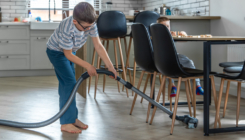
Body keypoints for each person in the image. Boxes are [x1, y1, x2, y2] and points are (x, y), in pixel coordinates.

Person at [46, 2, 117, 134]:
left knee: (68, 85)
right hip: (56, 52)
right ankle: (66, 123)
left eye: (90, 26)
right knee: (70, 84)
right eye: (85, 27)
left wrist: (110, 67)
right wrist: (88, 66)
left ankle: (72, 118)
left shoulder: (90, 24)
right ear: (75, 21)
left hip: (70, 52)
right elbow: (66, 54)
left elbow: (98, 46)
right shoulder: (67, 27)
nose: (88, 29)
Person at [157, 17, 204, 97]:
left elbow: (184, 40)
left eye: (167, 26)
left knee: (189, 62)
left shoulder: (171, 34)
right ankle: (172, 85)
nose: (166, 28)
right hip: (162, 57)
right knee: (168, 65)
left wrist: (182, 35)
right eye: (163, 26)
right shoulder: (156, 35)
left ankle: (198, 85)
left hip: (174, 56)